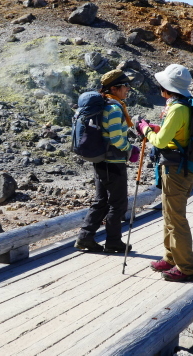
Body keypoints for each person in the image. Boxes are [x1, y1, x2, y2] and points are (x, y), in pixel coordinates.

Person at [136, 64, 193, 282]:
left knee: (175, 219)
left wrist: (144, 129)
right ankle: (171, 257)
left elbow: (161, 141)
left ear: (166, 88)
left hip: (175, 169)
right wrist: (154, 127)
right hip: (179, 167)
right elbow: (174, 133)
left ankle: (186, 267)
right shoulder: (184, 105)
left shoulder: (177, 109)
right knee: (170, 215)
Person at [75, 69, 140, 253]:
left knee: (101, 200)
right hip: (113, 162)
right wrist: (130, 149)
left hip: (101, 160)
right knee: (118, 203)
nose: (129, 89)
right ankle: (113, 241)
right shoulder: (113, 108)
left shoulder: (104, 104)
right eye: (126, 85)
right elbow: (116, 139)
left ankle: (85, 238)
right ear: (114, 87)